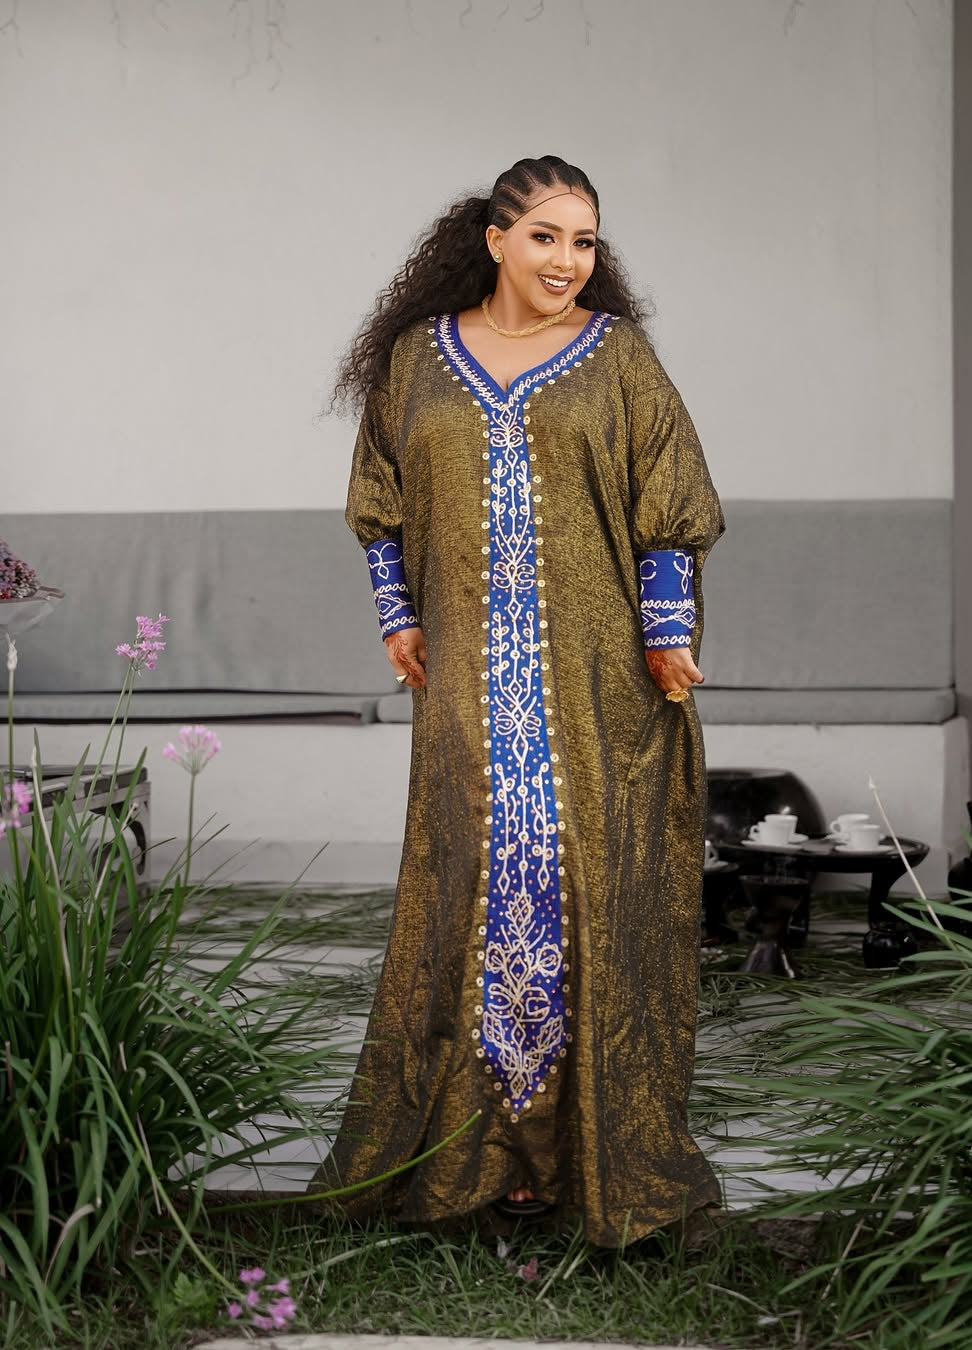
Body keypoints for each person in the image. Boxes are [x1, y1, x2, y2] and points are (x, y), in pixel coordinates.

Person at [310, 155, 725, 1247]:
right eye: (546, 236)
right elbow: (380, 500)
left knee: (582, 892)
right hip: (463, 695)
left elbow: (668, 500)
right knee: (474, 891)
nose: (568, 261)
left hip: (596, 691)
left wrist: (668, 632)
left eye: (585, 241)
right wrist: (397, 615)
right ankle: (478, 1159)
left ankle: (582, 1158)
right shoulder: (419, 360)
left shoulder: (616, 357)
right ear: (494, 239)